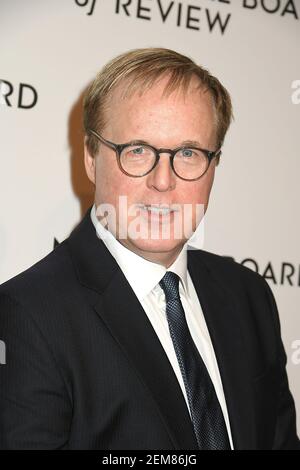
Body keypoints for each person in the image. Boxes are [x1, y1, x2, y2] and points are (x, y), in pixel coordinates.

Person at [0, 48, 299, 450]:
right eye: (138, 150)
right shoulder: (28, 315)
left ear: (214, 166)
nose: (163, 181)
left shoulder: (248, 296)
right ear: (91, 157)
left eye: (189, 153)